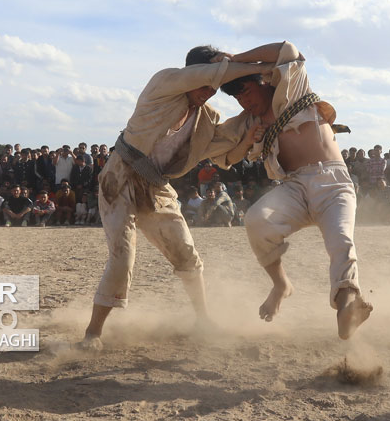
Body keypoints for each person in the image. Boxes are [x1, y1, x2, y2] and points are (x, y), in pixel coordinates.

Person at [78, 45, 267, 351]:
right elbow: (209, 73)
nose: (208, 91)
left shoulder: (208, 118)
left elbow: (226, 155)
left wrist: (248, 137)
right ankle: (93, 334)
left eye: (213, 87)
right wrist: (259, 65)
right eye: (205, 82)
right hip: (120, 175)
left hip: (157, 186)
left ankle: (203, 321)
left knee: (186, 253)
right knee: (123, 256)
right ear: (191, 74)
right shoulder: (164, 83)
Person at [219, 41, 372, 339]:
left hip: (332, 182)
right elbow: (223, 155)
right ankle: (281, 285)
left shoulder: (293, 89)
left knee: (340, 240)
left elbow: (287, 50)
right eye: (237, 98)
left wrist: (236, 60)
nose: (244, 103)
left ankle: (348, 303)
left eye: (246, 92)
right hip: (293, 188)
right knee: (256, 220)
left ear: (262, 81)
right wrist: (248, 138)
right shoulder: (247, 123)